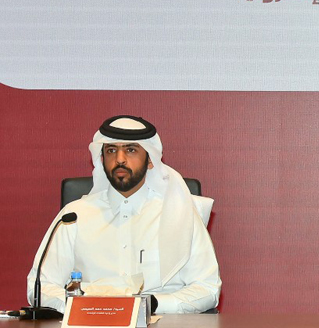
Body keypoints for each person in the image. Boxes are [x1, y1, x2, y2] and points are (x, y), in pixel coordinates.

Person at [27, 115, 221, 314]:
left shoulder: (179, 213)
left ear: (151, 161)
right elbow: (39, 287)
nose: (120, 159)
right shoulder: (74, 216)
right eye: (111, 151)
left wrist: (152, 305)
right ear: (101, 160)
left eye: (131, 150)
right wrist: (81, 306)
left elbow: (207, 289)